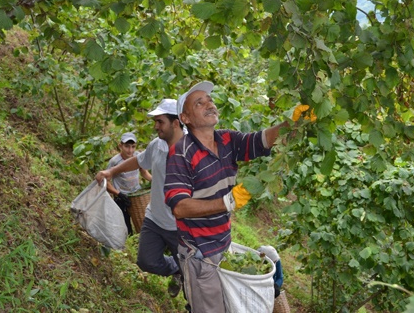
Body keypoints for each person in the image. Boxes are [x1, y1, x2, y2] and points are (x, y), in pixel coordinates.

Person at [164, 81, 314, 313]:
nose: (209, 105)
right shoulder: (181, 152)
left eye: (210, 100)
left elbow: (263, 140)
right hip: (199, 252)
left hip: (224, 245)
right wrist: (227, 202)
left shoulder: (227, 140)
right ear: (185, 118)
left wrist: (293, 123)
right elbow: (180, 207)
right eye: (199, 103)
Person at [95, 99, 185, 298]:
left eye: (160, 121)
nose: (156, 126)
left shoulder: (192, 150)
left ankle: (187, 282)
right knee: (146, 261)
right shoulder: (157, 145)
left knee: (193, 280)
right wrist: (112, 171)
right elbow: (139, 160)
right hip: (154, 219)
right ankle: (177, 269)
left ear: (176, 123)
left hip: (181, 227)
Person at [105, 132, 152, 236]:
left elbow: (144, 172)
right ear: (120, 145)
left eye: (133, 147)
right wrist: (118, 194)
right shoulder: (115, 161)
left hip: (136, 195)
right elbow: (106, 182)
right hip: (121, 197)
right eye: (127, 146)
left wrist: (155, 180)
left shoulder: (137, 157)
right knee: (125, 226)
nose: (130, 150)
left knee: (142, 222)